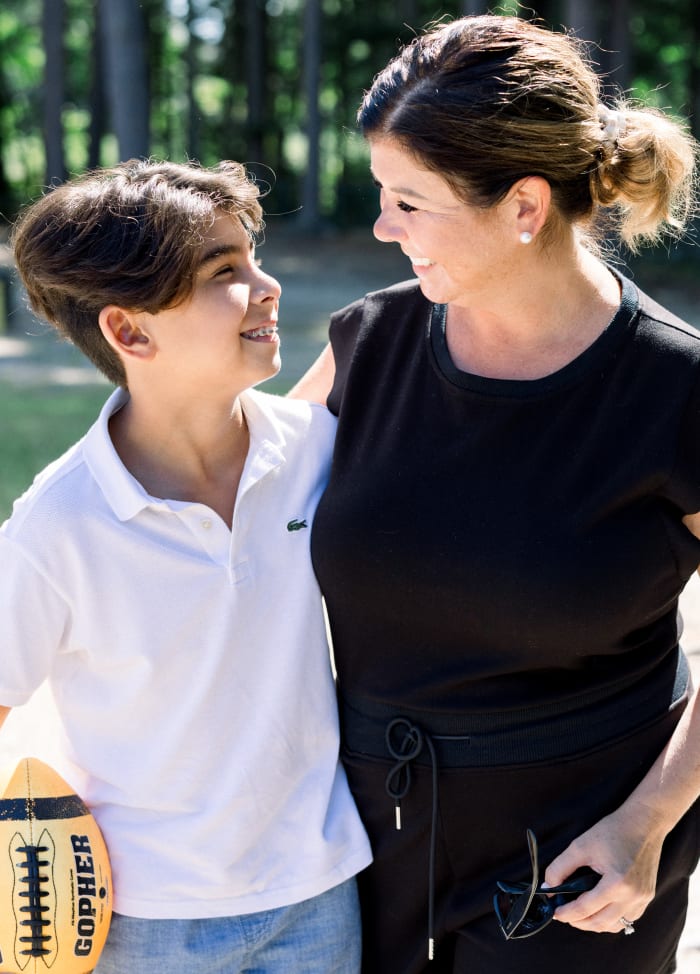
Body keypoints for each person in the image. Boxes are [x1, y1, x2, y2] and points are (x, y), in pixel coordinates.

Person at [290, 14, 700, 974]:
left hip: (579, 865)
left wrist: (645, 826)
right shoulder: (371, 343)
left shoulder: (678, 391)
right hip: (361, 843)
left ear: (524, 206)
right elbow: (230, 513)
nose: (384, 228)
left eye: (409, 202)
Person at [0, 158, 372, 974]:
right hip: (141, 919)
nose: (267, 286)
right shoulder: (59, 525)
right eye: (224, 272)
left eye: (253, 257)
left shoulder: (316, 452)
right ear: (131, 332)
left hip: (319, 893)